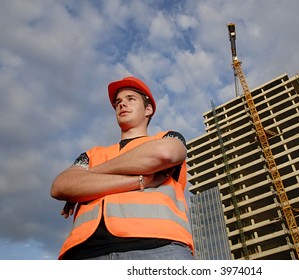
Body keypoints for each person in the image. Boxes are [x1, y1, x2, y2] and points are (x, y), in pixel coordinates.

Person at [51, 76, 194, 260]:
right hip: (84, 254)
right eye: (118, 102)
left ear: (148, 109)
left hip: (159, 249)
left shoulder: (165, 138)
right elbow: (60, 186)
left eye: (130, 99)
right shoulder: (92, 154)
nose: (122, 104)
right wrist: (140, 180)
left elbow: (165, 153)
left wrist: (87, 178)